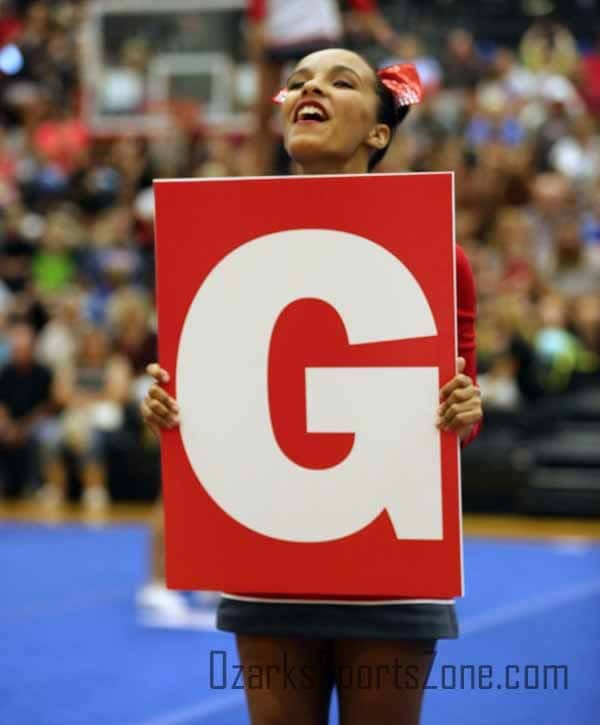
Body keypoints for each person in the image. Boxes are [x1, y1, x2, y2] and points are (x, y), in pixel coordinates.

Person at [141, 48, 483, 725]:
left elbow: (458, 411)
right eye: (297, 81)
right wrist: (169, 406)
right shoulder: (221, 239)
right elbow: (219, 389)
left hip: (391, 565)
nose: (308, 88)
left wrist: (464, 407)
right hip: (270, 560)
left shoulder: (441, 255)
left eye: (339, 80)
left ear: (379, 132)